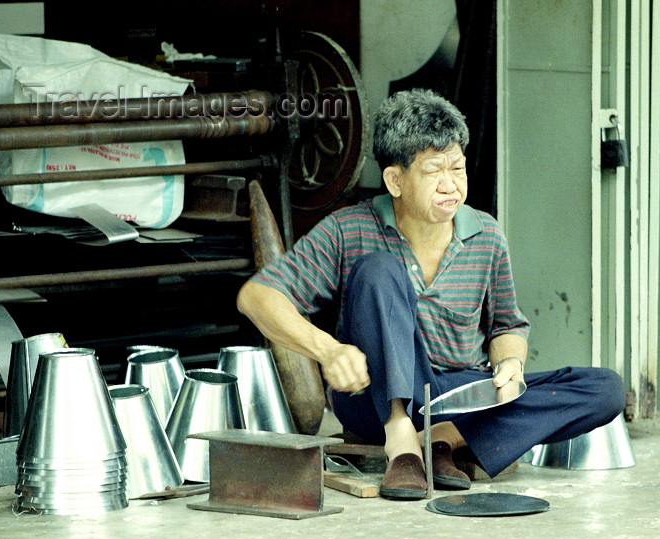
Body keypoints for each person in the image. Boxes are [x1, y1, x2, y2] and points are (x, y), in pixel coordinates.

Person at [236, 88, 626, 500]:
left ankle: (442, 437)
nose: (450, 186)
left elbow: (507, 325)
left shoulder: (487, 235)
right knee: (377, 269)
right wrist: (329, 351)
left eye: (457, 169)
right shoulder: (348, 229)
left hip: (457, 395)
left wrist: (510, 362)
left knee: (604, 388)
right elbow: (257, 297)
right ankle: (403, 440)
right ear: (395, 180)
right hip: (373, 400)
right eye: (433, 171)